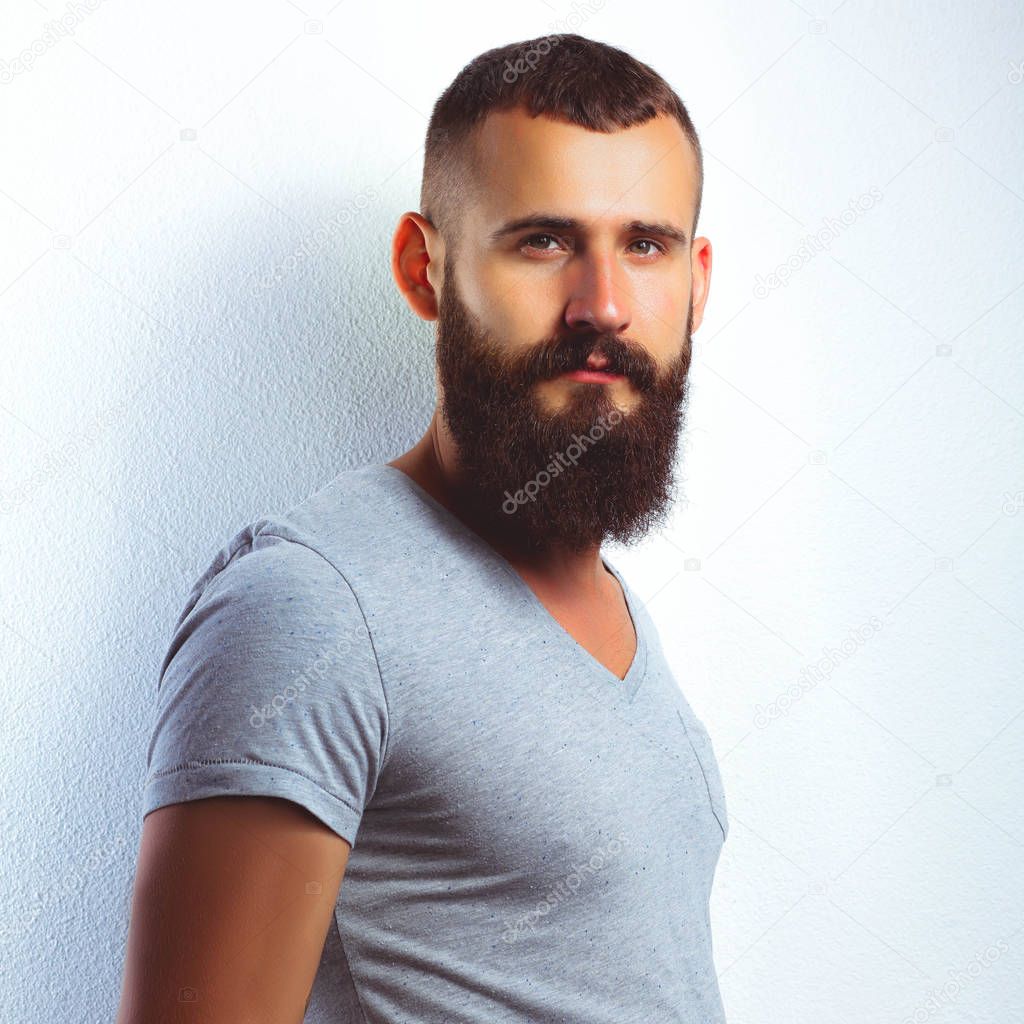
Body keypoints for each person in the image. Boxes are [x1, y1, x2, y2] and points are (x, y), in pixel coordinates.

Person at [115, 32, 727, 1024]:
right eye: (543, 240)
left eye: (643, 244)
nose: (603, 305)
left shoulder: (613, 605)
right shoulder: (313, 606)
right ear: (423, 267)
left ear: (696, 283)